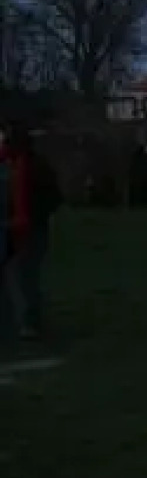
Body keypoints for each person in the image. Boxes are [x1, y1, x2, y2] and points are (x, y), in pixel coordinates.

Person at [0, 123, 62, 341]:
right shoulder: (8, 165)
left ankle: (28, 323)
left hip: (30, 229)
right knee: (17, 277)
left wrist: (32, 216)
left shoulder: (35, 167)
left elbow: (52, 198)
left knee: (23, 276)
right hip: (10, 228)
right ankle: (14, 323)